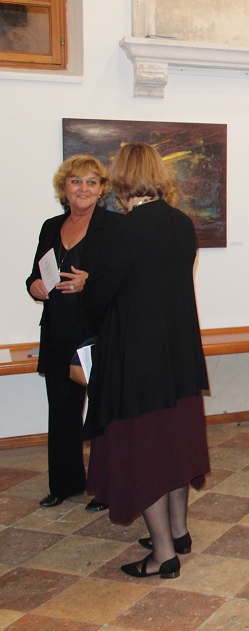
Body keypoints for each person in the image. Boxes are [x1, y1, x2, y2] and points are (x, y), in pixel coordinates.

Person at [81, 143, 210, 579]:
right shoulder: (181, 223)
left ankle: (162, 555)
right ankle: (179, 532)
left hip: (137, 359)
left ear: (120, 178)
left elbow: (98, 298)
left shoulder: (124, 230)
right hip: (178, 353)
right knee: (175, 446)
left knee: (146, 453)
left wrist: (89, 289)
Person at [26, 155, 122, 512]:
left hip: (96, 333)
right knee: (62, 412)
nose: (83, 188)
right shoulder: (51, 226)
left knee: (103, 415)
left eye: (91, 182)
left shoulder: (114, 226)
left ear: (101, 189)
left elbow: (123, 279)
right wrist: (33, 285)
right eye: (76, 181)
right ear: (63, 188)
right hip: (57, 331)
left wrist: (90, 281)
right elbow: (34, 273)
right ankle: (64, 485)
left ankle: (106, 489)